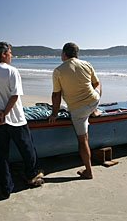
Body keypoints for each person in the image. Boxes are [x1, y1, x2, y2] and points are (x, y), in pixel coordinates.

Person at [0, 42, 43, 199]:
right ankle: (31, 176)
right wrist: (5, 113)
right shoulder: (12, 71)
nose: (12, 55)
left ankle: (5, 188)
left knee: (3, 156)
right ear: (3, 54)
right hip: (15, 120)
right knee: (28, 150)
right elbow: (15, 96)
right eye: (10, 53)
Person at [48, 42, 101, 179]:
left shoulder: (58, 70)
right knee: (94, 95)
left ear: (64, 54)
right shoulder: (86, 64)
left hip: (78, 110)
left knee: (82, 140)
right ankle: (94, 110)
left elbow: (56, 95)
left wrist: (54, 114)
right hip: (94, 100)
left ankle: (88, 171)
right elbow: (96, 83)